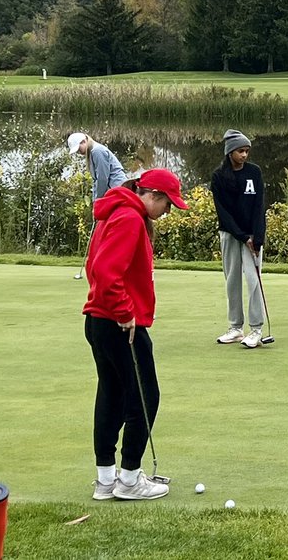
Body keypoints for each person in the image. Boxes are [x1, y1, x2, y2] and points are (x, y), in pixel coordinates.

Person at [83, 168, 187, 501]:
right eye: (167, 204)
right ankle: (129, 479)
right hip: (119, 324)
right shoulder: (129, 218)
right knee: (145, 396)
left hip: (100, 320)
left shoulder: (116, 212)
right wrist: (126, 313)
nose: (168, 212)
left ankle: (106, 480)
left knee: (112, 395)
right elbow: (104, 271)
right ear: (153, 195)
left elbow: (94, 267)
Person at [210, 129, 268, 349]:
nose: (244, 155)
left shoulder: (254, 172)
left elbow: (258, 206)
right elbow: (223, 212)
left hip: (253, 235)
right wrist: (242, 236)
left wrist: (257, 237)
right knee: (232, 280)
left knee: (254, 281)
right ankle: (235, 328)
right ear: (230, 152)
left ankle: (256, 330)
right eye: (240, 151)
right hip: (230, 234)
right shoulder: (219, 176)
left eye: (246, 151)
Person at [68, 133, 127, 201]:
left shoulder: (97, 151)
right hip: (113, 191)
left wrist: (98, 200)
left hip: (118, 190)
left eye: (78, 149)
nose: (78, 152)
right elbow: (96, 180)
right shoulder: (91, 152)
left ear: (84, 141)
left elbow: (102, 178)